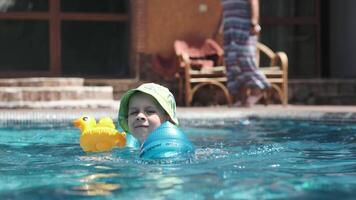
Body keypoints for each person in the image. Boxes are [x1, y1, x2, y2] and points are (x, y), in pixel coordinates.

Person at [118, 83, 195, 160]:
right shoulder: (125, 149)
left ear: (167, 118)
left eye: (150, 111)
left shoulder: (176, 151)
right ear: (127, 119)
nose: (139, 116)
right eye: (134, 112)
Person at [220, 0, 270, 107]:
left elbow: (254, 2)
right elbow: (224, 12)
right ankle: (242, 97)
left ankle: (259, 88)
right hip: (229, 30)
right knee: (232, 63)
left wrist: (254, 22)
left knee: (245, 59)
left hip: (244, 29)